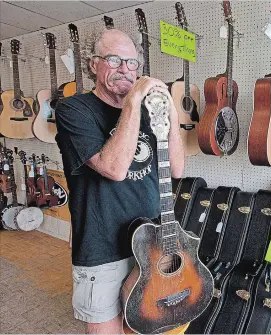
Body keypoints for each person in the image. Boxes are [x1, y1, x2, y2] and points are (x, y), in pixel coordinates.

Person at [55, 28, 184, 334]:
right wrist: (134, 100)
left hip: (152, 242)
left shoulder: (148, 112)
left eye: (131, 63)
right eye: (114, 60)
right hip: (102, 249)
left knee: (147, 327)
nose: (125, 71)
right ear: (92, 65)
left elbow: (177, 169)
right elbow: (114, 168)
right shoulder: (74, 110)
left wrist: (172, 114)